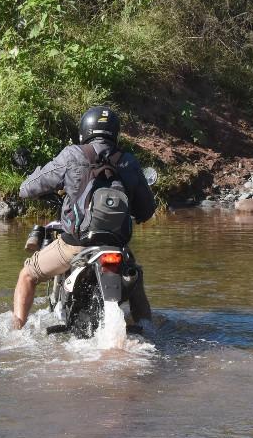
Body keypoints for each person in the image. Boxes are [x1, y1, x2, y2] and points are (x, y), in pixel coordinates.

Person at [9, 106, 156, 330]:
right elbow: (146, 210)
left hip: (75, 246)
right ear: (114, 132)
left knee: (27, 274)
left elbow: (27, 189)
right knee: (135, 279)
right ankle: (148, 327)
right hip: (116, 248)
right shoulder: (129, 161)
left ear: (85, 130)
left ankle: (16, 333)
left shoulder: (73, 154)